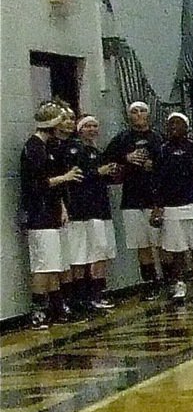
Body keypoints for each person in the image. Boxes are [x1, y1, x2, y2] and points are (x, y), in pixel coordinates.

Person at [19, 102, 83, 329]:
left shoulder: (48, 147)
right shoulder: (34, 147)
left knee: (54, 263)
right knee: (43, 265)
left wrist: (62, 207)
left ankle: (58, 307)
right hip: (39, 214)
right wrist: (65, 177)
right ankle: (38, 312)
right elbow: (37, 183)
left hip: (51, 212)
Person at [102, 101, 164, 300]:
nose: (138, 115)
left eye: (142, 111)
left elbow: (168, 164)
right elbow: (104, 161)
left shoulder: (158, 138)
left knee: (162, 242)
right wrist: (125, 159)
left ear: (148, 114)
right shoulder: (122, 139)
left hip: (155, 197)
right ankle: (150, 283)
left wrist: (153, 165)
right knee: (141, 244)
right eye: (134, 112)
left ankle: (170, 281)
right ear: (129, 116)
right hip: (132, 198)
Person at [156, 112, 193, 302]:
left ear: (186, 127)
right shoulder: (163, 150)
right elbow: (159, 180)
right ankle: (179, 283)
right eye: (170, 124)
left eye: (177, 123)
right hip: (172, 206)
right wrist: (158, 206)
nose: (173, 127)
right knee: (177, 249)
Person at [65, 116, 120, 314]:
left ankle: (96, 293)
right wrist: (98, 172)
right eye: (87, 126)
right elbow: (77, 178)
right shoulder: (75, 150)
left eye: (95, 125)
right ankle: (85, 296)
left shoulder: (96, 151)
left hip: (101, 208)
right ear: (79, 129)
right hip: (84, 211)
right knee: (85, 254)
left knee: (101, 252)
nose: (91, 129)